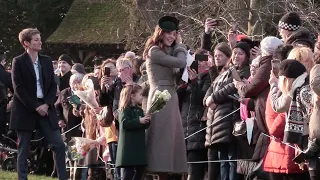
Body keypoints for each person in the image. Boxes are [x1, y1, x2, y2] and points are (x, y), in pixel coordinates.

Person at [10, 28, 67, 180]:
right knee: (23, 148)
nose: (40, 42)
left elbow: (52, 86)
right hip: (26, 108)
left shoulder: (46, 61)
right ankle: (22, 178)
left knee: (59, 145)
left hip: (46, 108)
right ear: (26, 43)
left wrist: (47, 105)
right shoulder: (18, 61)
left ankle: (63, 177)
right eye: (36, 39)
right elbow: (18, 88)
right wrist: (35, 106)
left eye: (40, 39)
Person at [143, 16, 188, 179]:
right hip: (161, 97)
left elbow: (178, 69)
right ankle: (162, 170)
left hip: (170, 95)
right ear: (160, 33)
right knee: (161, 139)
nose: (172, 36)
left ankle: (169, 170)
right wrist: (181, 45)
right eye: (168, 33)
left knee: (170, 139)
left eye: (174, 33)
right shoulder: (154, 51)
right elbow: (181, 62)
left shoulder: (165, 51)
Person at [204, 42, 251, 180]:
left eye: (240, 54)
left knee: (231, 160)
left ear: (247, 57)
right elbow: (212, 86)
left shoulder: (245, 71)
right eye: (235, 53)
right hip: (218, 122)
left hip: (231, 119)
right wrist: (208, 98)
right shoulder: (226, 71)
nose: (236, 56)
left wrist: (213, 98)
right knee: (222, 160)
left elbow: (231, 87)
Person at [177, 49, 211, 180]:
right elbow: (175, 98)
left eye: (202, 60)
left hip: (197, 130)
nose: (199, 64)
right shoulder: (186, 80)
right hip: (184, 130)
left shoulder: (209, 78)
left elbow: (202, 99)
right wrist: (185, 84)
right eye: (196, 60)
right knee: (184, 173)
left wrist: (195, 82)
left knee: (195, 172)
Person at [116, 83, 151, 180]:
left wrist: (147, 120)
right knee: (128, 172)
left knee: (140, 170)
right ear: (132, 96)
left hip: (138, 147)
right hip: (129, 148)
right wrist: (139, 121)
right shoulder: (124, 110)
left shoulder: (139, 110)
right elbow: (125, 124)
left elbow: (145, 126)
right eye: (140, 94)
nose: (142, 97)